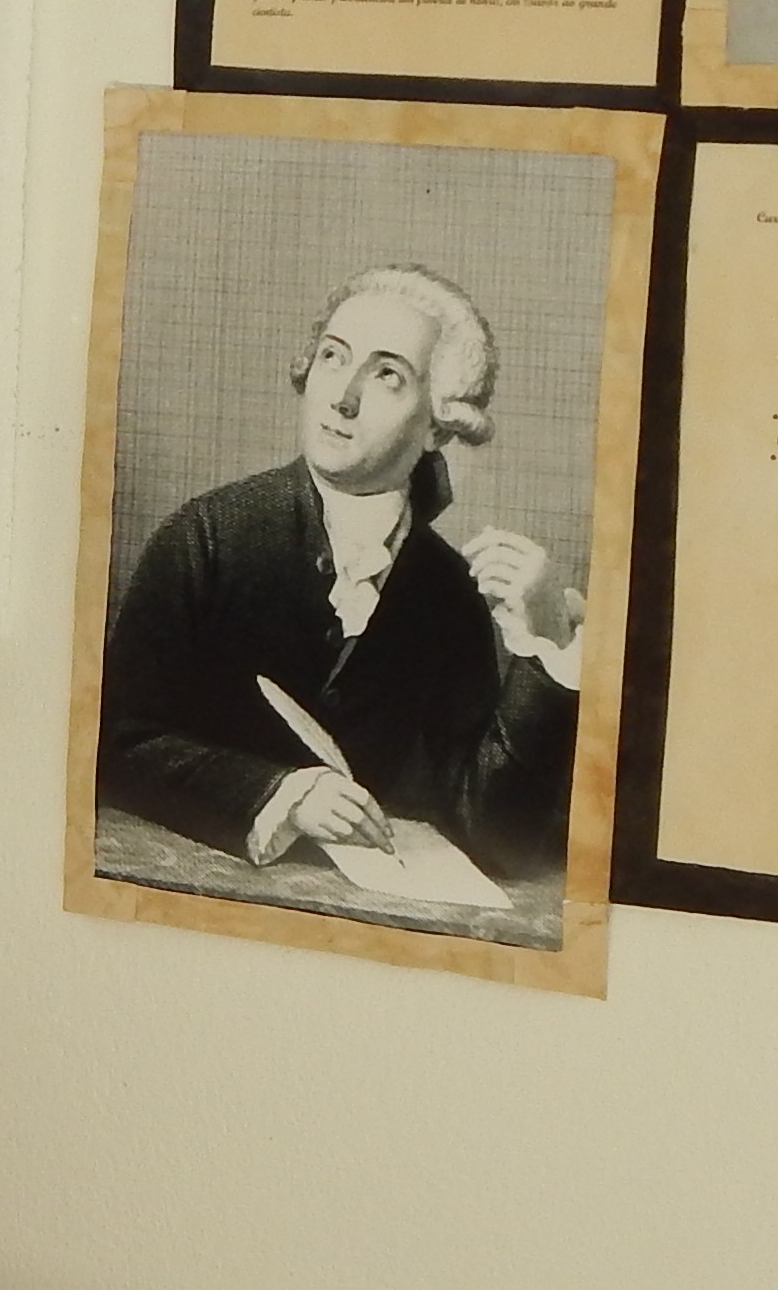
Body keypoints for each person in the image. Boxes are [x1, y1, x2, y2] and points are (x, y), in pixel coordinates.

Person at [98, 265, 580, 885]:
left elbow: (494, 836)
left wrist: (547, 646)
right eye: (333, 356)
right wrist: (282, 793)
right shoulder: (208, 537)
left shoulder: (447, 593)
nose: (342, 397)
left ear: (438, 424)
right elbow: (115, 745)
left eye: (387, 375)